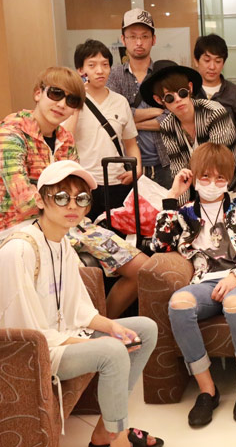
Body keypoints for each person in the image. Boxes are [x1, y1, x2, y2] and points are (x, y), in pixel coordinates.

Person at [0, 160, 160, 447]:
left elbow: (78, 310)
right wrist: (100, 342)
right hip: (34, 352)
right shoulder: (19, 250)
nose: (72, 205)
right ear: (41, 200)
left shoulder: (62, 242)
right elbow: (26, 335)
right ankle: (117, 438)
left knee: (144, 329)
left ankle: (106, 431)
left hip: (63, 336)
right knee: (113, 351)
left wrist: (112, 327)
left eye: (81, 198)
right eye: (62, 197)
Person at [0, 66, 147, 319]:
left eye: (72, 100)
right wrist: (70, 206)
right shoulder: (11, 134)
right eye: (55, 93)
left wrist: (72, 209)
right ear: (38, 93)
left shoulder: (65, 138)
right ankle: (83, 331)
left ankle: (101, 327)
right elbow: (23, 201)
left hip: (71, 224)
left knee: (142, 269)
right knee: (78, 275)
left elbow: (79, 194)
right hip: (22, 228)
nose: (62, 104)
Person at [152, 143, 236, 426]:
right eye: (205, 176)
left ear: (229, 179)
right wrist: (172, 196)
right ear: (194, 176)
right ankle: (207, 390)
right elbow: (159, 244)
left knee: (235, 302)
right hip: (206, 281)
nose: (212, 184)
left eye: (220, 178)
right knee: (178, 304)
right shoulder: (185, 212)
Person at [139, 61, 236, 203]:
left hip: (227, 189)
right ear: (159, 100)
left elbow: (216, 163)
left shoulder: (214, 113)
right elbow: (179, 171)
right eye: (170, 97)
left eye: (182, 93)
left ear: (190, 88)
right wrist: (180, 206)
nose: (178, 100)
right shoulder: (167, 126)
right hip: (196, 194)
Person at [64, 39, 142, 221]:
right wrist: (76, 101)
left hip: (118, 182)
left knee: (120, 233)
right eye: (92, 65)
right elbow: (65, 139)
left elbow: (131, 143)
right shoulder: (70, 101)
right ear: (80, 70)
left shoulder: (120, 101)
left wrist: (137, 169)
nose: (100, 70)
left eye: (105, 65)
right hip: (84, 183)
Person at [107, 8, 172, 189]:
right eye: (133, 37)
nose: (139, 42)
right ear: (123, 40)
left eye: (144, 36)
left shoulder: (163, 73)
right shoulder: (114, 75)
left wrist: (129, 124)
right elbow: (114, 116)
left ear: (154, 39)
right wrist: (155, 112)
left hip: (165, 164)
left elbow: (171, 117)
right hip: (127, 166)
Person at [193, 34, 236, 170]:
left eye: (218, 61)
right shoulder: (188, 93)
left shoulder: (235, 93)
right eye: (207, 60)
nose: (212, 67)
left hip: (229, 166)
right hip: (196, 166)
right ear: (196, 61)